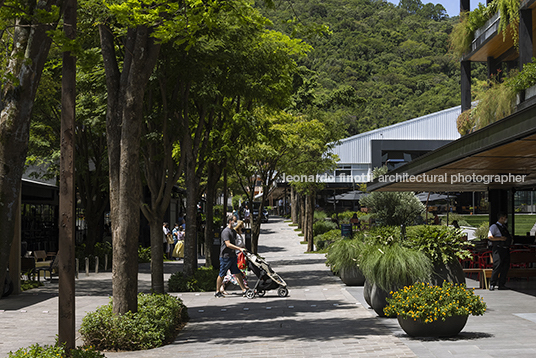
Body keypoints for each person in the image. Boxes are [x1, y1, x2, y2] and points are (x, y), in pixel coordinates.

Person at [215, 215, 247, 298]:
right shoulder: (226, 232)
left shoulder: (233, 232)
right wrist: (239, 248)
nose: (235, 222)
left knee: (237, 273)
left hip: (232, 256)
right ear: (230, 221)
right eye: (234, 221)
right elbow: (228, 244)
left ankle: (244, 290)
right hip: (225, 257)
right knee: (222, 274)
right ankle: (217, 291)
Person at [488, 212, 512, 291]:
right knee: (497, 266)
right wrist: (500, 239)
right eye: (505, 218)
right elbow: (490, 237)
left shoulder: (504, 227)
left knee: (505, 267)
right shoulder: (494, 226)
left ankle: (502, 284)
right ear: (501, 218)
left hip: (505, 249)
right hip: (498, 249)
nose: (505, 219)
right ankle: (492, 284)